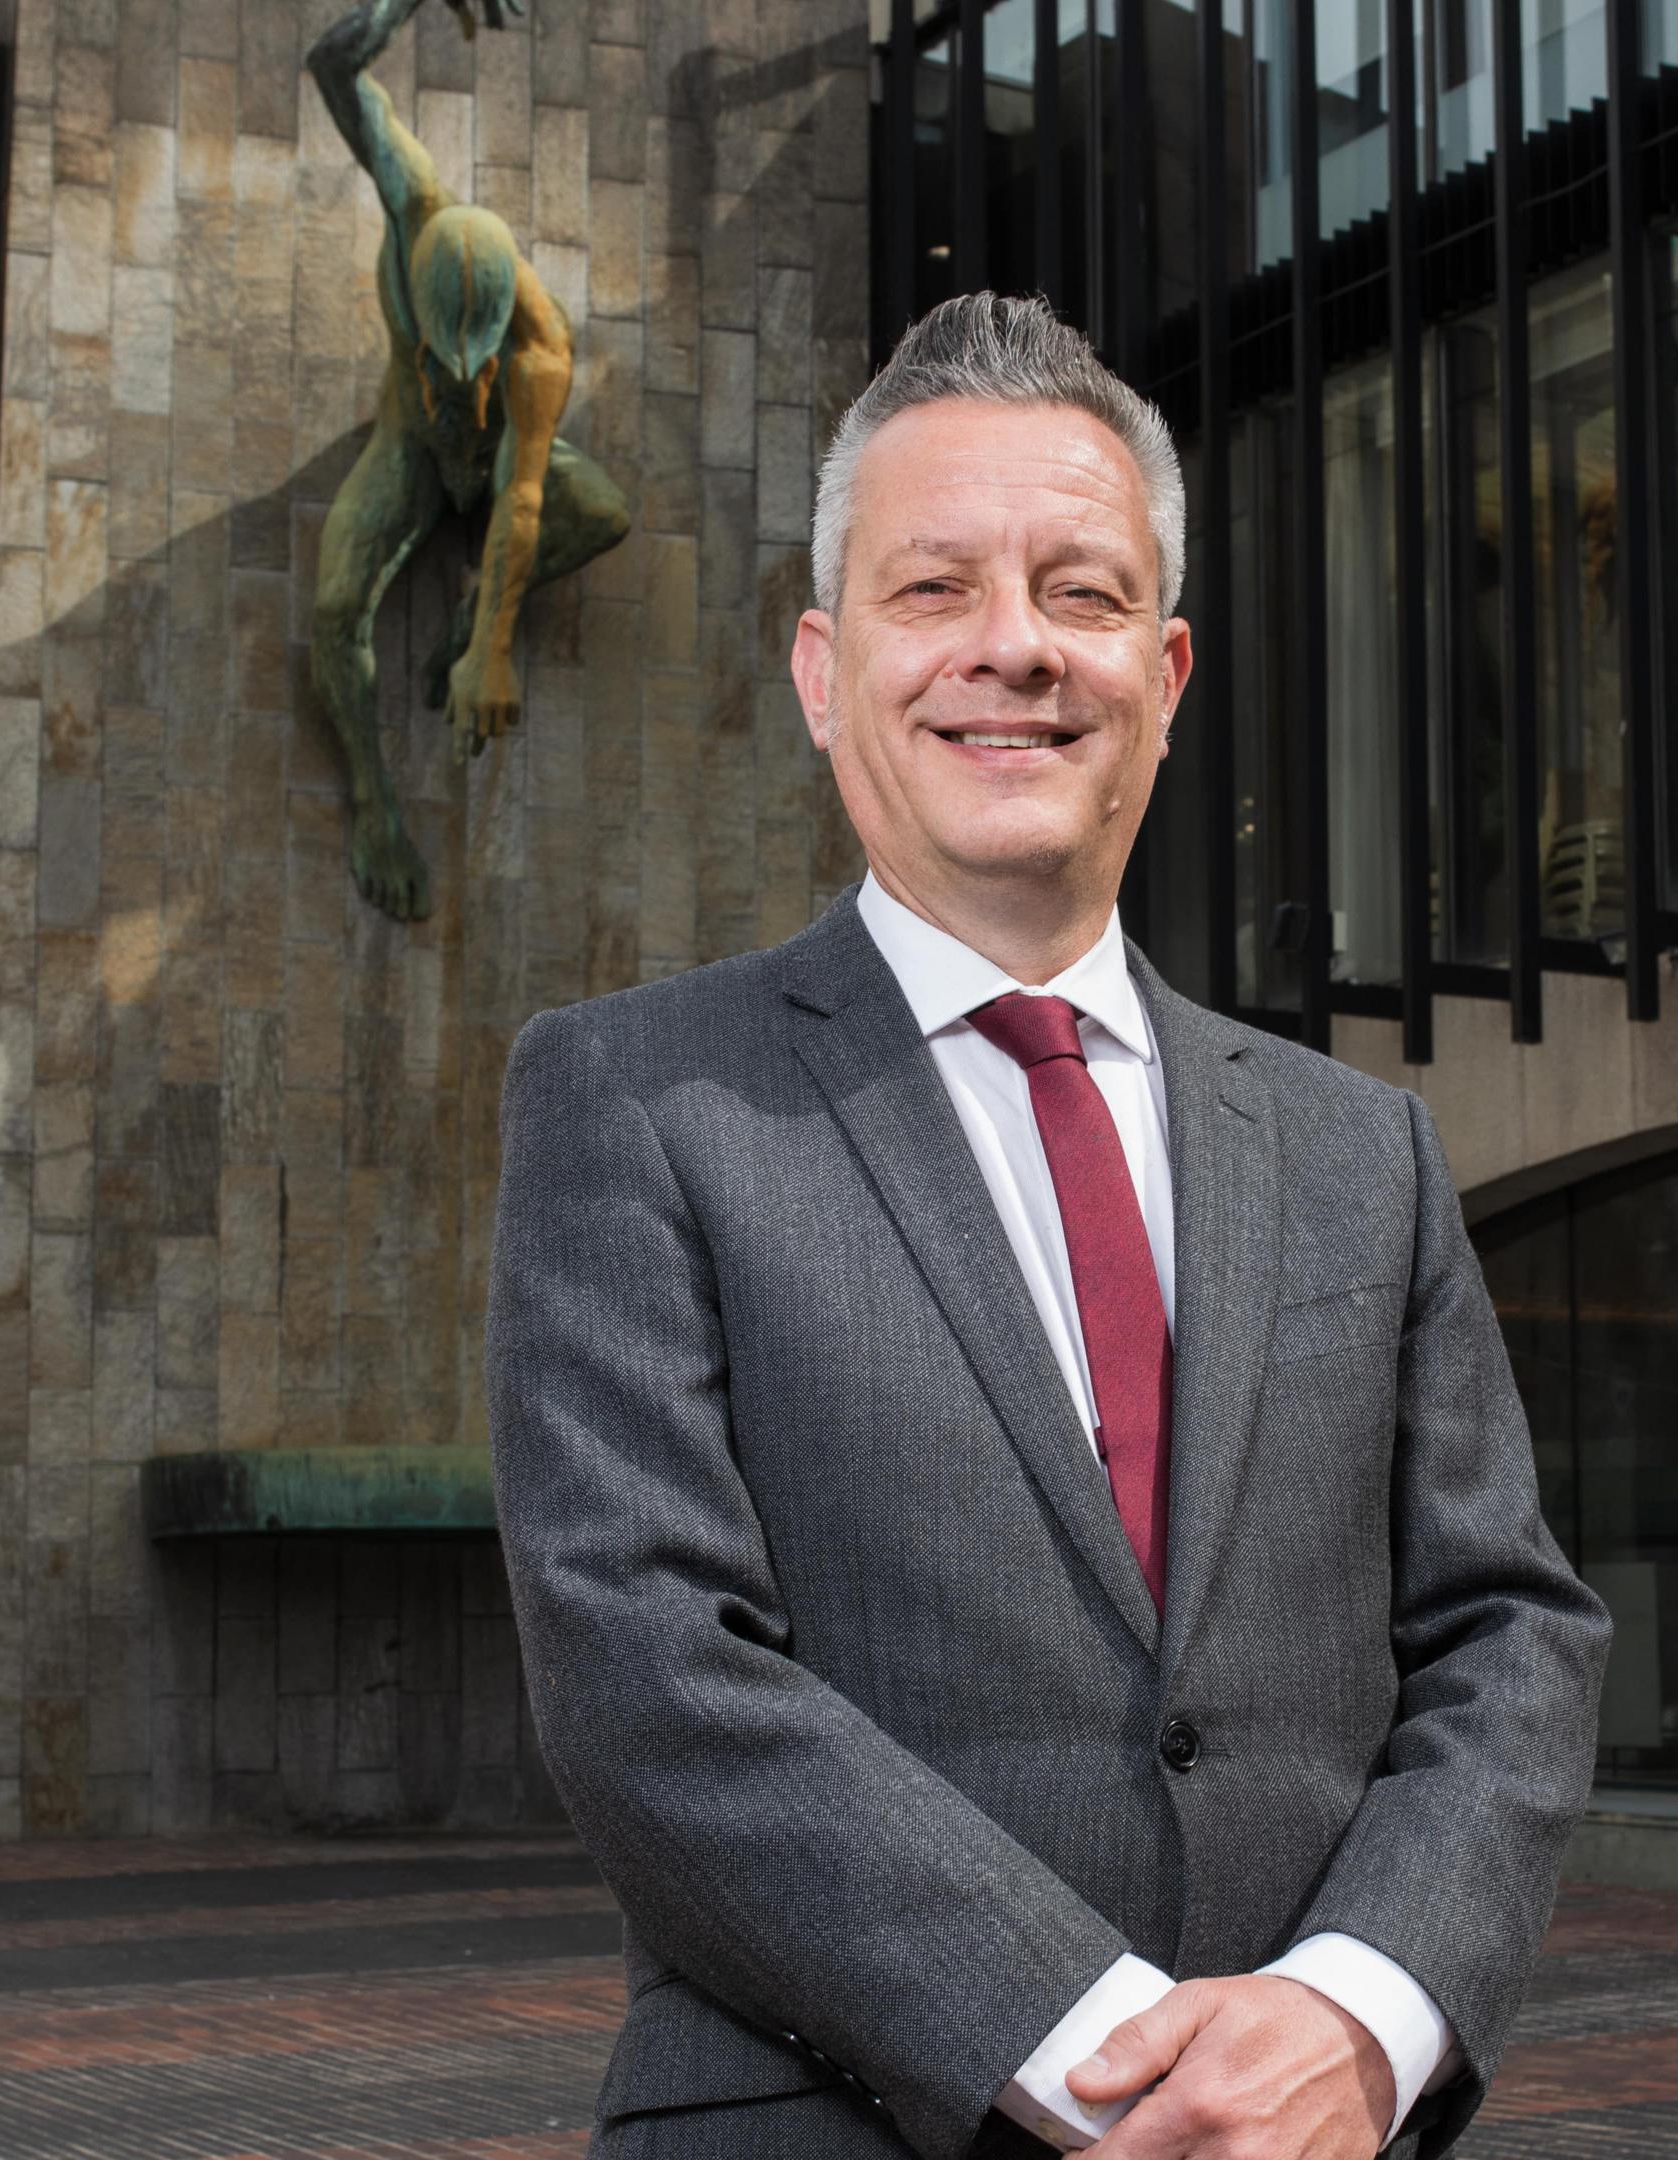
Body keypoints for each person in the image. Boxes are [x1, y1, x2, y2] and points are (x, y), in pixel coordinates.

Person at [487, 293, 1608, 2159]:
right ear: (821, 671)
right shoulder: (632, 1103)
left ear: (1164, 679)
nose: (1014, 648)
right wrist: (1107, 2056)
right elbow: (642, 1669)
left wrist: (1359, 2014)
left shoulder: (1365, 1154)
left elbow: (1511, 1632)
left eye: (1080, 594)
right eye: (936, 591)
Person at [304, 0, 633, 919]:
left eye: (472, 370)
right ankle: (374, 805)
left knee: (600, 511)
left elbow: (524, 497)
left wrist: (490, 649)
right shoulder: (410, 195)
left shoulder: (540, 352)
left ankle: (470, 619)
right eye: (445, 368)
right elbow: (333, 66)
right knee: (335, 607)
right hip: (407, 451)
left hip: (492, 472)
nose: (461, 380)